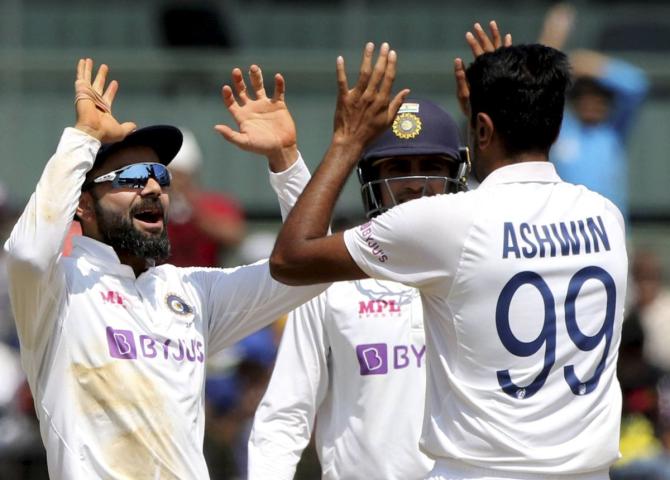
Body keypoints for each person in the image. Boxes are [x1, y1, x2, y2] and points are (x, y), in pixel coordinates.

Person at [269, 22, 628, 479]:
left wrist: (348, 140)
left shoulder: (445, 223)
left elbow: (290, 259)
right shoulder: (606, 217)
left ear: (480, 128)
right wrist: (497, 108)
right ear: (555, 126)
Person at [3, 59, 327, 479]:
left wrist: (286, 160)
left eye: (159, 175)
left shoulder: (191, 290)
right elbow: (27, 252)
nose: (154, 186)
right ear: (83, 203)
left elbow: (314, 269)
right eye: (133, 176)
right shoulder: (57, 288)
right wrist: (82, 138)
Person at [248, 99, 470, 480]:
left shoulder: (485, 269)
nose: (415, 184)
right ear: (370, 181)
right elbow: (285, 415)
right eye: (398, 168)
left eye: (432, 167)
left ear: (459, 174)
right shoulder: (332, 281)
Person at [539, 2, 649, 222]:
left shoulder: (612, 132)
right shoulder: (563, 127)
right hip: (567, 232)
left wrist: (585, 63)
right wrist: (555, 45)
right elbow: (540, 87)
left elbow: (637, 84)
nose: (592, 103)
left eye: (599, 98)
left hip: (611, 233)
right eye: (585, 96)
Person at [167, 127, 246, 267]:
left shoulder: (214, 203)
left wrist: (192, 207)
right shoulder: (152, 205)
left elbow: (234, 236)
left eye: (179, 175)